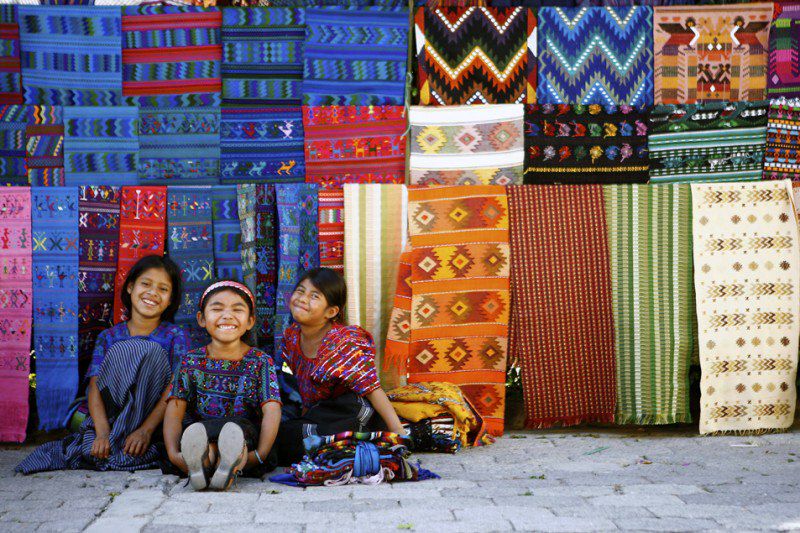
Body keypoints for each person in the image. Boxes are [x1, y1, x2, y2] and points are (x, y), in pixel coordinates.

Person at [17, 255, 190, 474]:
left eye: (163, 289)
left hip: (151, 421)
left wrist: (145, 431)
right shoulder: (109, 336)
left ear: (170, 299)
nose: (153, 293)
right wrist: (102, 433)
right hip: (111, 418)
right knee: (93, 450)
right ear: (130, 287)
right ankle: (116, 437)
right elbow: (95, 387)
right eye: (146, 284)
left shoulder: (175, 335)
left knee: (148, 350)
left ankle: (133, 438)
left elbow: (175, 388)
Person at [275, 267, 406, 466]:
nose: (302, 298)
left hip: (352, 411)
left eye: (314, 296)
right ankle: (328, 446)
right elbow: (303, 386)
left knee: (308, 438)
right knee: (284, 434)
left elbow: (372, 388)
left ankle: (357, 445)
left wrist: (399, 435)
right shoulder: (291, 337)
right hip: (321, 413)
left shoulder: (343, 342)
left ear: (331, 312)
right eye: (300, 291)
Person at [163, 280, 282, 491]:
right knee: (203, 442)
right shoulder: (191, 361)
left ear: (250, 321)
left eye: (237, 309)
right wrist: (173, 454)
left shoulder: (260, 361)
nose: (227, 315)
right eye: (217, 309)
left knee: (236, 436)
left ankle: (223, 464)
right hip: (202, 432)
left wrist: (261, 454)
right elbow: (174, 409)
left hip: (246, 438)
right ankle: (206, 464)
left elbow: (271, 409)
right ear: (201, 318)